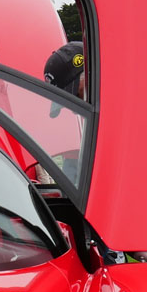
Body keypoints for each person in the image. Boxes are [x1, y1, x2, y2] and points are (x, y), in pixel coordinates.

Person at [42, 41, 124, 263]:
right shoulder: (93, 117)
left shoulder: (124, 111)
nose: (72, 105)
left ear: (89, 72)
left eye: (73, 94)